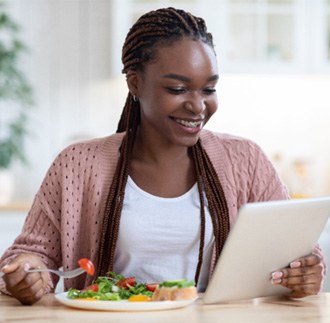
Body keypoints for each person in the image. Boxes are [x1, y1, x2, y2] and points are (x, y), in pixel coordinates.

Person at [0, 7, 325, 305]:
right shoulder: (77, 164)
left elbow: (300, 254)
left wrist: (305, 272)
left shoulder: (246, 160)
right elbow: (28, 255)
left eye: (209, 89)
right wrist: (27, 271)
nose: (198, 106)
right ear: (135, 83)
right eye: (178, 89)